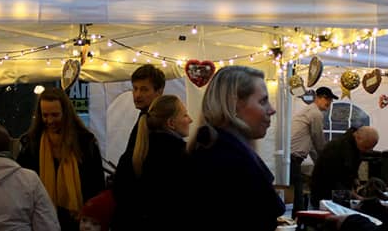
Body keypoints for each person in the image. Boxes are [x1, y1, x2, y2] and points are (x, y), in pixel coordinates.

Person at [186, 65, 285, 231]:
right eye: (263, 101)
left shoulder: (212, 148)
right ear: (233, 105)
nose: (272, 110)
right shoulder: (228, 161)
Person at [17, 87, 105, 231]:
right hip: (42, 219)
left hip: (78, 221)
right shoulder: (31, 144)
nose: (50, 120)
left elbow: (97, 184)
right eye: (45, 115)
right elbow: (22, 184)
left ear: (66, 113)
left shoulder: (85, 142)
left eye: (55, 115)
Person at [114, 94, 192, 229]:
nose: (190, 120)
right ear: (171, 123)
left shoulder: (132, 155)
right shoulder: (183, 156)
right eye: (185, 115)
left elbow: (121, 200)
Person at [110, 64, 165, 229]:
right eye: (135, 89)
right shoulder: (144, 117)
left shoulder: (156, 123)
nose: (137, 95)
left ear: (159, 91)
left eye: (144, 89)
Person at [290, 86, 339, 215]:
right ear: (318, 98)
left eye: (330, 100)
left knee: (295, 192)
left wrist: (319, 162)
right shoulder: (315, 113)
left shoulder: (307, 111)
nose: (329, 103)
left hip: (291, 158)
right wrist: (327, 162)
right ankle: (299, 221)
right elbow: (319, 141)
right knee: (297, 195)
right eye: (326, 99)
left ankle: (296, 219)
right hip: (293, 158)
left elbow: (311, 144)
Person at [310, 126, 379, 208]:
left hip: (338, 190)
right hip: (325, 195)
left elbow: (351, 169)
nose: (367, 151)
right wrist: (356, 196)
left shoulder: (354, 146)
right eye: (366, 147)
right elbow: (335, 178)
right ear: (358, 138)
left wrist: (355, 178)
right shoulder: (338, 148)